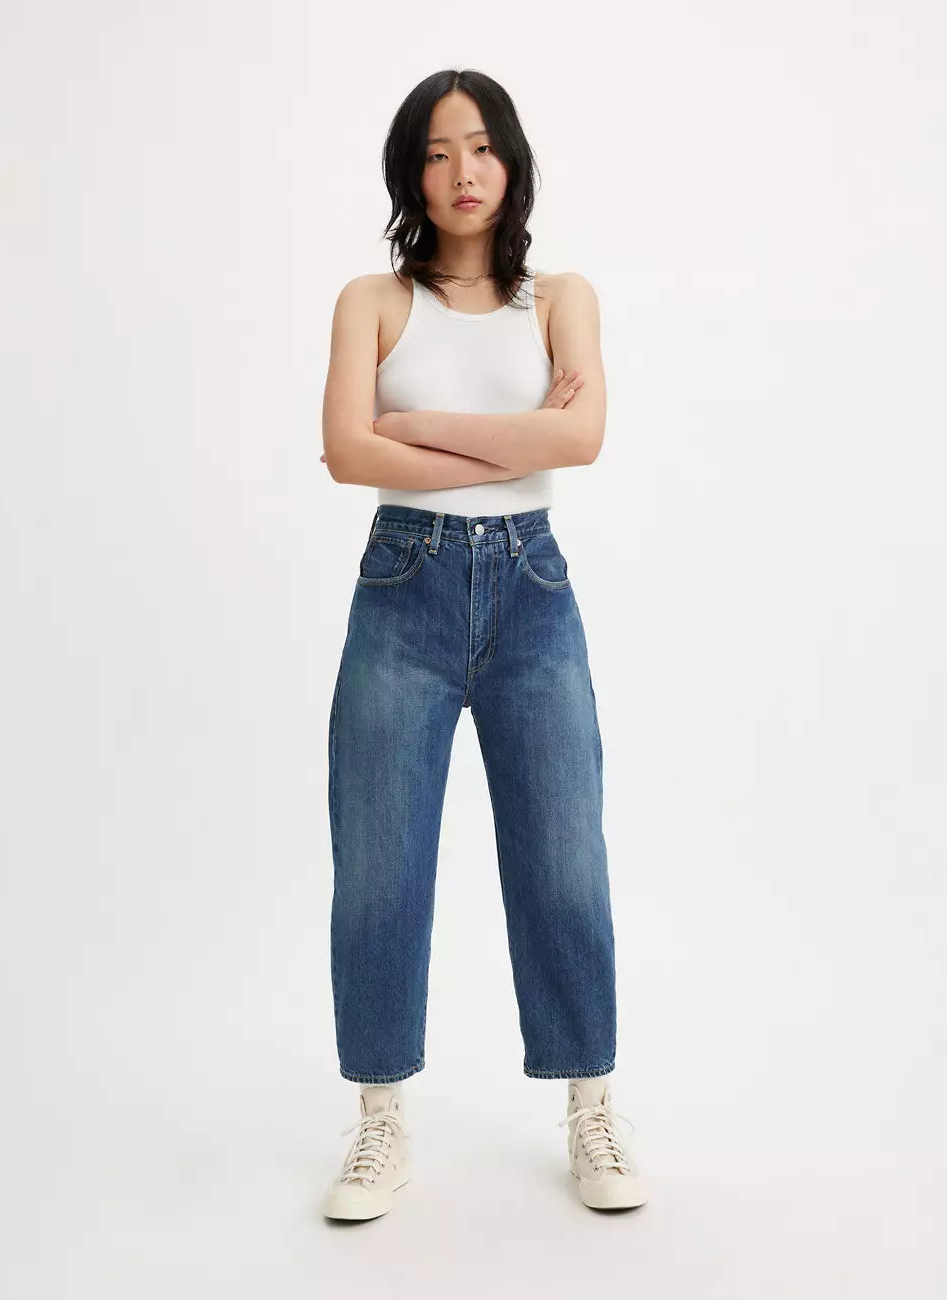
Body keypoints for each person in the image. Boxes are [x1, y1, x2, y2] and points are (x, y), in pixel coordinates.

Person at [318, 69, 647, 1219]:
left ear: (512, 161)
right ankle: (379, 1122)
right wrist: (518, 436)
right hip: (401, 590)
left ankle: (592, 1106)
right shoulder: (373, 300)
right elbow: (347, 455)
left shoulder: (561, 298)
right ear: (410, 173)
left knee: (563, 857)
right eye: (437, 151)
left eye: (482, 147)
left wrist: (417, 426)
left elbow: (584, 438)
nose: (463, 171)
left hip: (530, 590)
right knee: (380, 864)